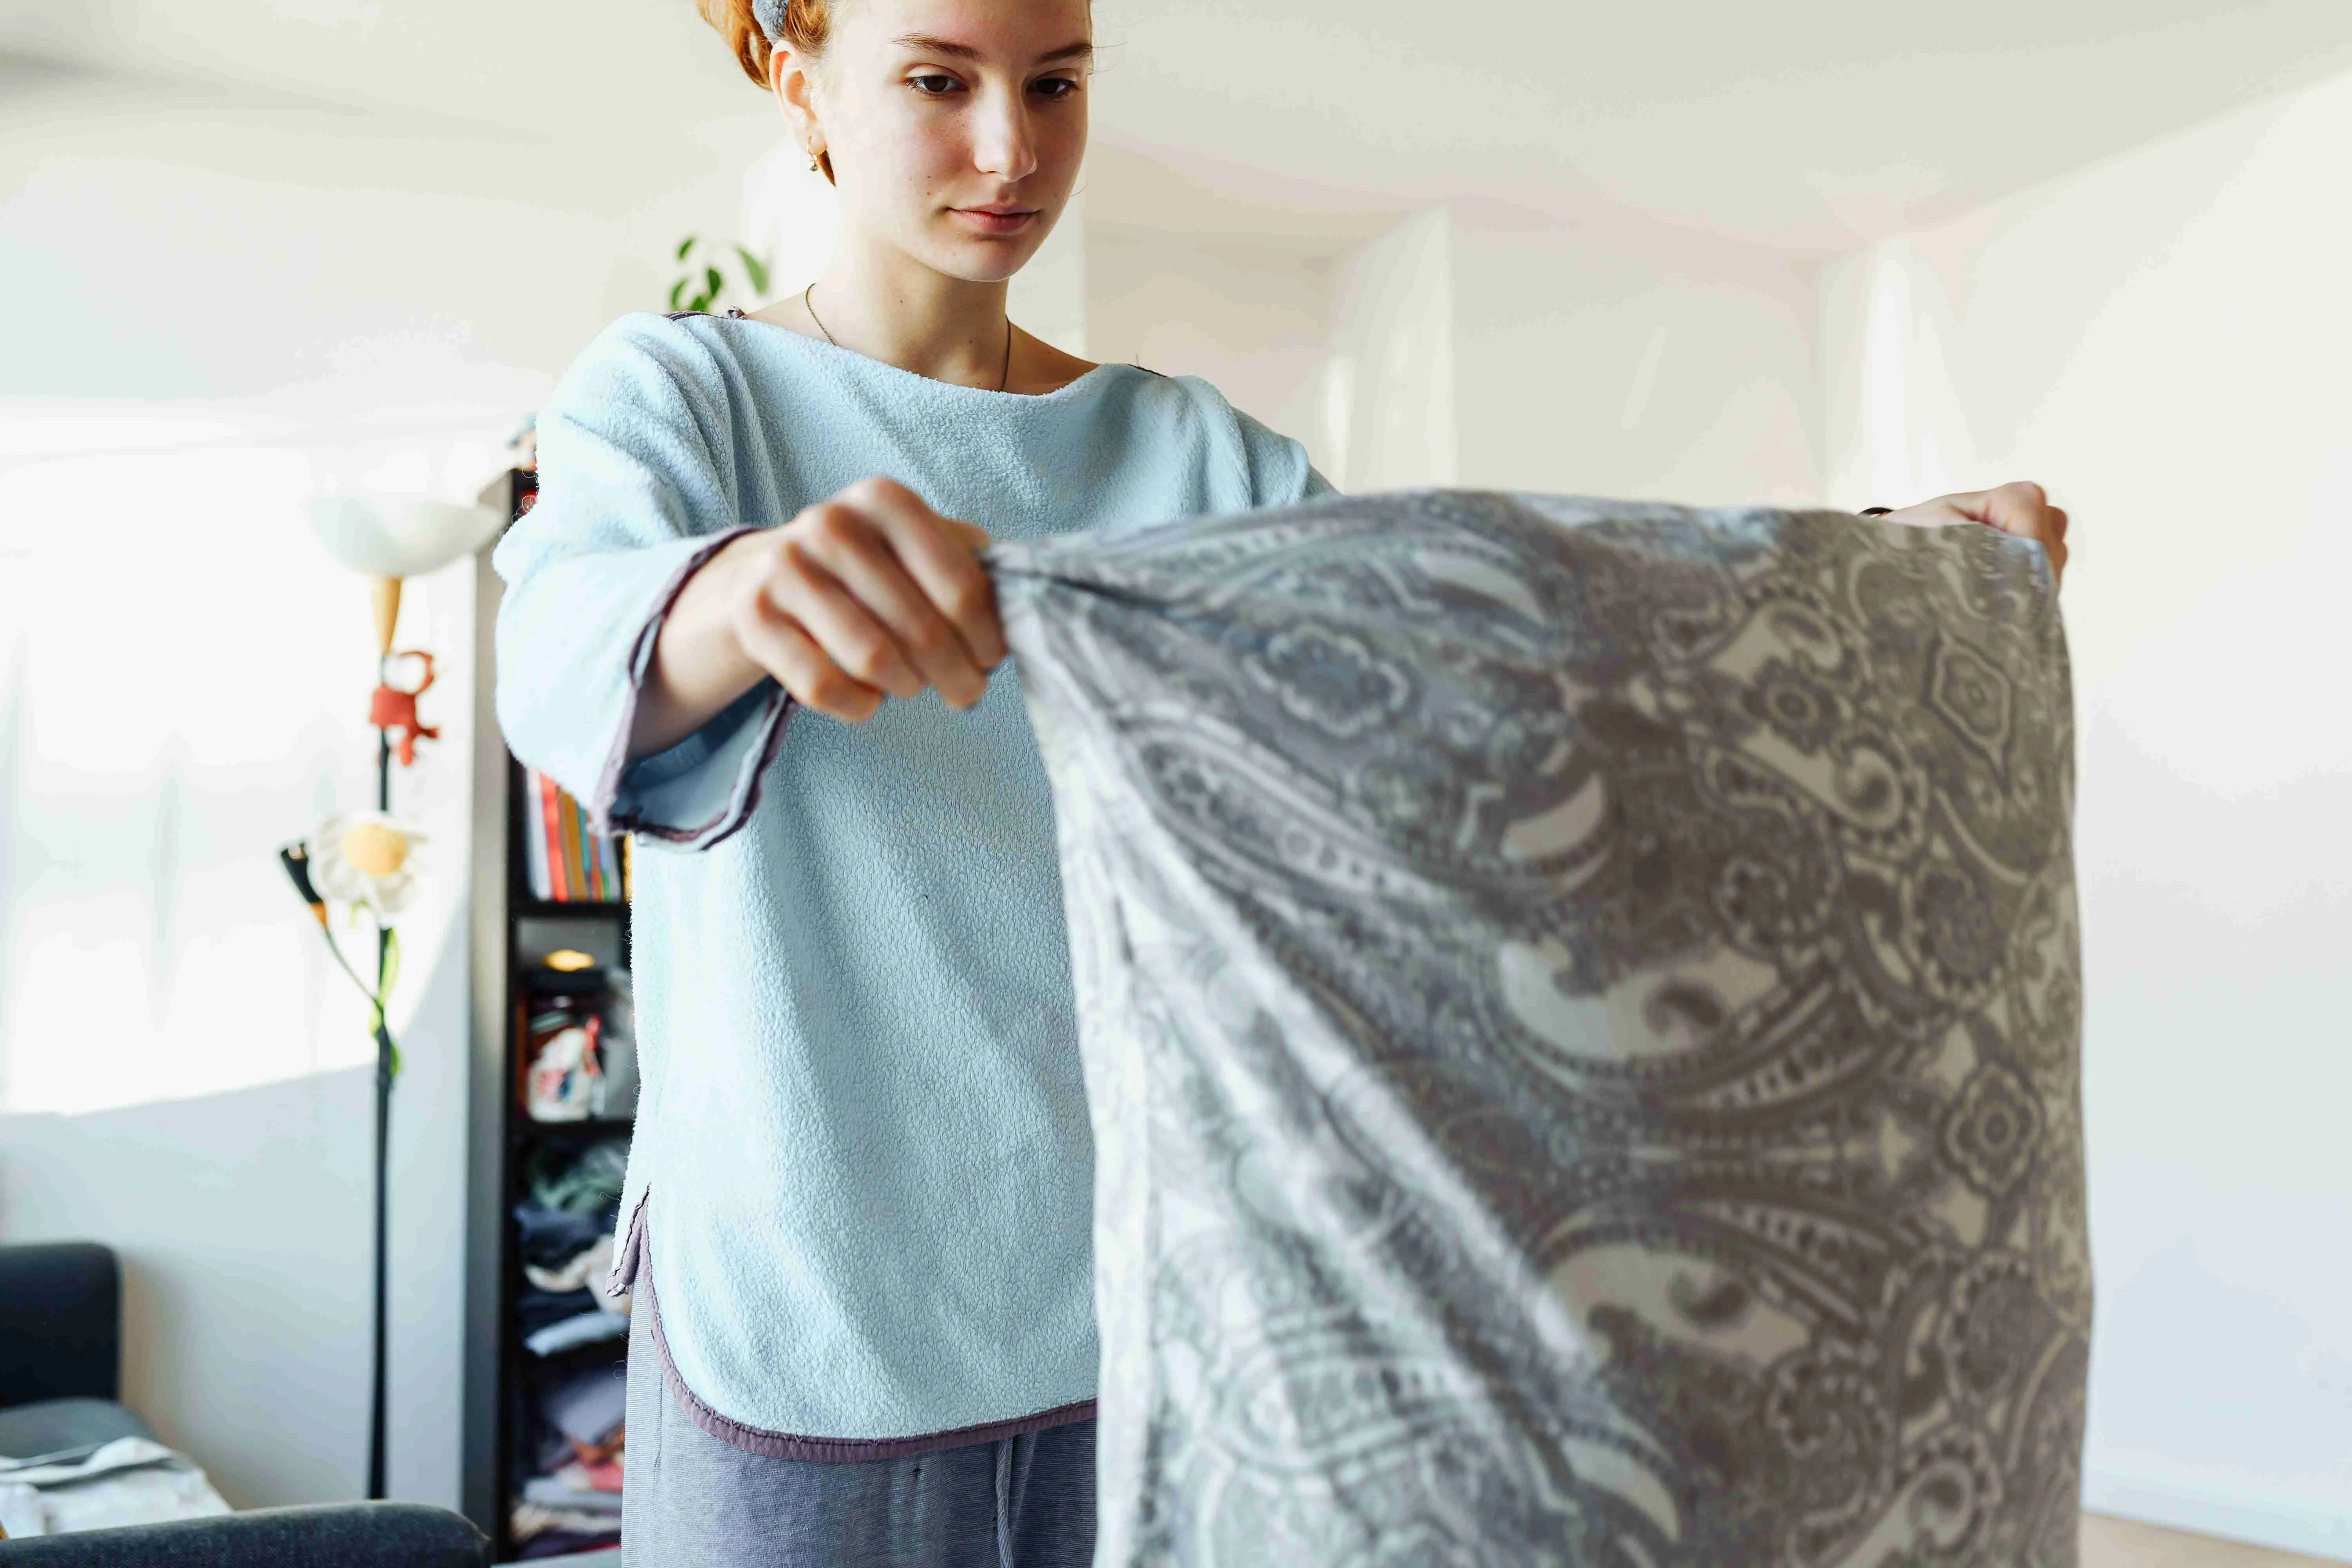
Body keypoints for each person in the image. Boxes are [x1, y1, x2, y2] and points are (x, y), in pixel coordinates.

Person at [490, 0, 2072, 1561]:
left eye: (1058, 81)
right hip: (803, 1329)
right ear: (798, 80)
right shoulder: (682, 399)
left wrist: (1877, 577)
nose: (1011, 146)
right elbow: (557, 651)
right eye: (936, 78)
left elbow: (1495, 678)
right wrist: (735, 595)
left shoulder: (1199, 459)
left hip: (1160, 1322)